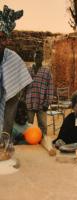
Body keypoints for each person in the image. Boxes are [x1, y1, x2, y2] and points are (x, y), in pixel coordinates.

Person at [0, 5, 32, 133]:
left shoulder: (13, 60)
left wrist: (6, 134)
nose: (1, 42)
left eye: (3, 38)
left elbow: (12, 102)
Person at [24, 49, 53, 135]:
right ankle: (28, 141)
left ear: (42, 59)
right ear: (34, 58)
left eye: (39, 57)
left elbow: (50, 88)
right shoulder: (28, 70)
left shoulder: (46, 72)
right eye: (36, 57)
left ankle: (43, 141)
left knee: (43, 125)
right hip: (29, 102)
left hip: (42, 103)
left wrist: (47, 103)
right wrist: (22, 99)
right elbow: (23, 87)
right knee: (28, 125)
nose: (37, 59)